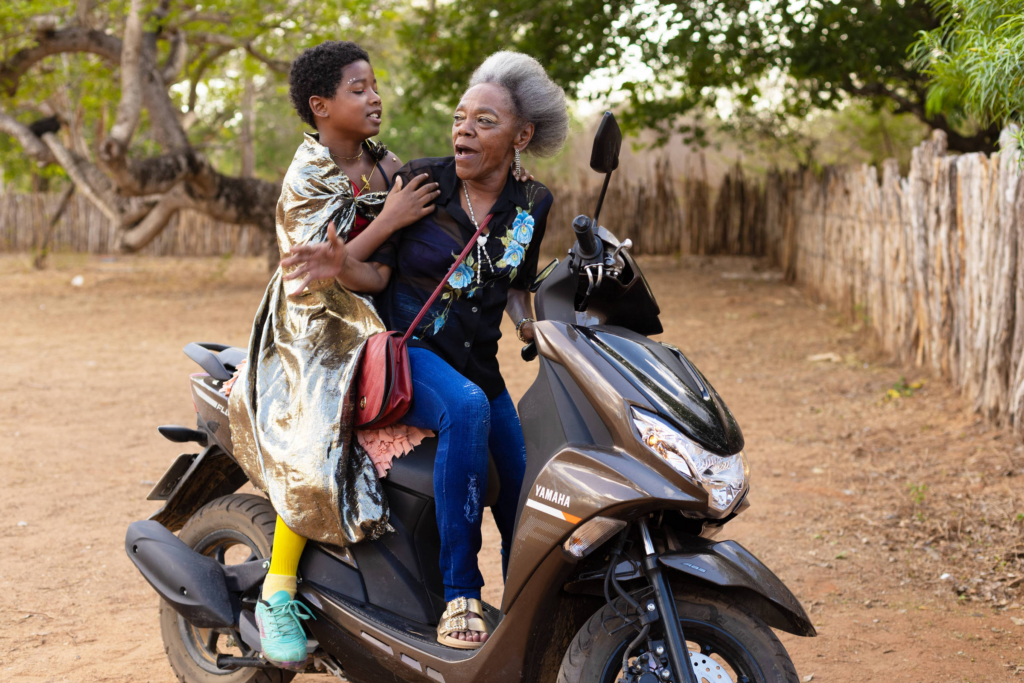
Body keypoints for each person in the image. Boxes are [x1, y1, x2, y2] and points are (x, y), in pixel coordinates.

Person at [286, 51, 569, 649]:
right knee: (465, 407)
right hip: (409, 355)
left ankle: (536, 611)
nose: (464, 129)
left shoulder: (533, 203)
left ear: (521, 137)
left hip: (479, 363)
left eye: (484, 122)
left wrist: (534, 328)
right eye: (460, 117)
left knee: (523, 484)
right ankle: (460, 592)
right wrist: (342, 264)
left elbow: (517, 287)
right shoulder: (421, 182)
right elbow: (376, 276)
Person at [227, 40, 440, 670]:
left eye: (375, 86)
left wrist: (510, 175)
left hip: (375, 312)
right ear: (321, 106)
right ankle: (277, 594)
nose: (374, 98)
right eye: (358, 89)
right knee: (315, 441)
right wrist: (390, 219)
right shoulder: (306, 178)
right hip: (313, 324)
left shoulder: (383, 163)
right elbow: (316, 271)